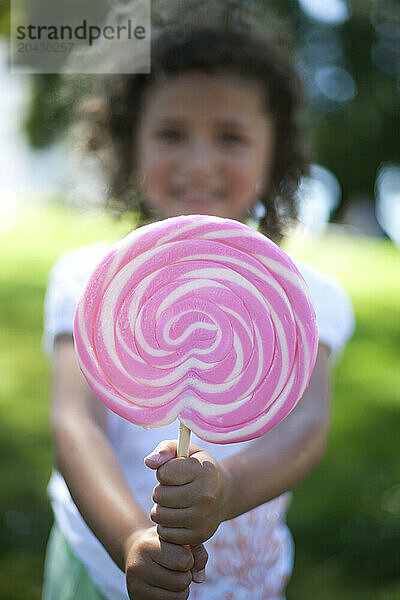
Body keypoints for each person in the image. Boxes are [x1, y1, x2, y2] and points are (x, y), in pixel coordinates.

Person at [42, 1, 355, 599]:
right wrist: (132, 540)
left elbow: (307, 428)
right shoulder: (92, 283)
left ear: (275, 155)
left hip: (244, 580)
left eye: (231, 137)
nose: (199, 162)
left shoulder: (303, 299)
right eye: (170, 133)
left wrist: (229, 488)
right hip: (102, 569)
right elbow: (73, 423)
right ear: (129, 144)